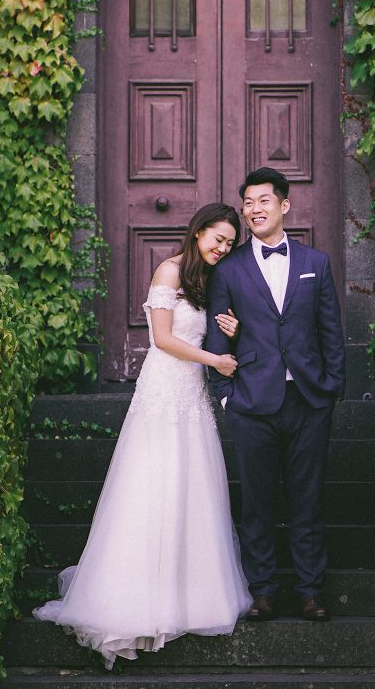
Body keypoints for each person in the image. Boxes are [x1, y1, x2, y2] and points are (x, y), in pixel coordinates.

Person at [33, 203, 251, 667]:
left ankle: (193, 595)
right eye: (217, 238)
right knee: (155, 484)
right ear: (197, 233)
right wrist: (216, 361)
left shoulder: (210, 282)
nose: (222, 248)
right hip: (165, 390)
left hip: (192, 396)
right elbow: (164, 339)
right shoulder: (169, 271)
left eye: (230, 243)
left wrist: (230, 331)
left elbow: (210, 334)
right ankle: (136, 597)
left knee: (194, 489)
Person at [204, 166, 344, 622]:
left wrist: (331, 390)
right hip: (251, 403)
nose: (253, 209)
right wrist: (226, 396)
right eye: (247, 202)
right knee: (257, 501)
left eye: (263, 200)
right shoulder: (227, 268)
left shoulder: (315, 263)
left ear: (284, 206)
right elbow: (216, 339)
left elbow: (330, 332)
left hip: (307, 400)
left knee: (308, 498)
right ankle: (262, 590)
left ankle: (309, 591)